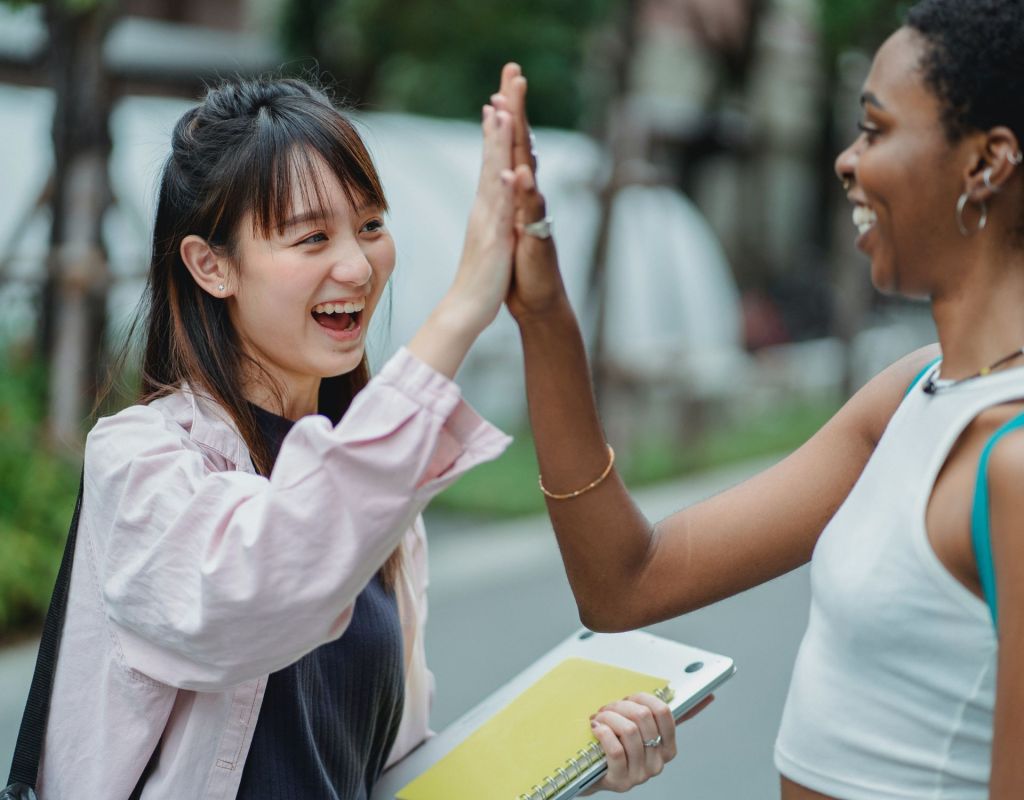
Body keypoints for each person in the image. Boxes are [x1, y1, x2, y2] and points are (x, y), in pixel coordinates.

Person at [35, 76, 675, 798]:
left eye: (370, 225)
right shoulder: (140, 461)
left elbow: (376, 776)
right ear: (210, 266)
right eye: (313, 237)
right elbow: (259, 589)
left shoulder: (379, 494)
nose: (357, 266)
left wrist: (571, 757)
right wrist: (465, 303)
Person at [494, 0, 1024, 797]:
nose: (846, 161)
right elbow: (626, 582)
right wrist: (543, 317)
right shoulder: (909, 396)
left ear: (986, 164)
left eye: (876, 130)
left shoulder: (1011, 463)